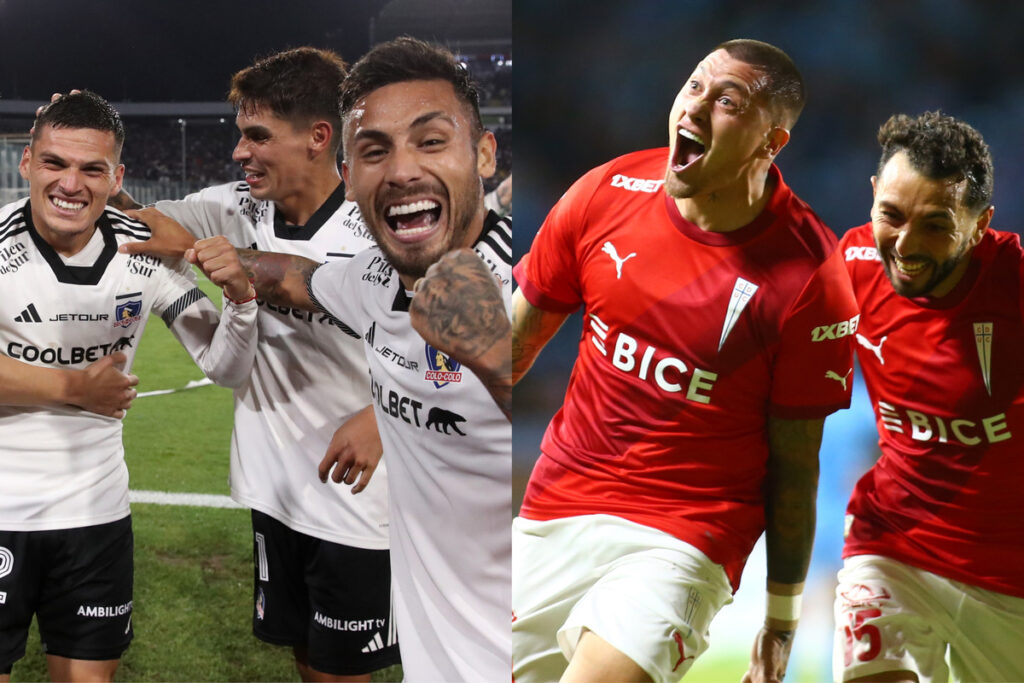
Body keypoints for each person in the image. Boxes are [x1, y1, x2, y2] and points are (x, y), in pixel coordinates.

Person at [510, 39, 859, 682]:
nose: (695, 107)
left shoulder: (810, 274)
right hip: (554, 512)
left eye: (727, 100)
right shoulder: (604, 194)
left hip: (682, 538)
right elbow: (506, 355)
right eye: (694, 86)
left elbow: (794, 465)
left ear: (770, 143)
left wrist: (780, 619)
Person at [176, 37, 510, 681]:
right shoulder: (372, 277)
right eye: (376, 150)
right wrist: (216, 257)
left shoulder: (536, 278)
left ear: (485, 154)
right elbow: (299, 278)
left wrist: (496, 361)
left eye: (431, 141)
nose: (403, 170)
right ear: (350, 172)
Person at [114, 47, 398, 681]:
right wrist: (94, 169)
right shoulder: (234, 205)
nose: (240, 151)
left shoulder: (381, 225)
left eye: (257, 136)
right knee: (306, 657)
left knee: (342, 671)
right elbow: (138, 225)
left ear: (319, 137)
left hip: (360, 499)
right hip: (277, 487)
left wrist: (383, 418)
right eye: (240, 135)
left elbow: (450, 340)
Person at [0, 91, 257, 682]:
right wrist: (73, 389)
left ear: (117, 176)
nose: (71, 183)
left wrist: (241, 297)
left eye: (92, 169)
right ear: (27, 164)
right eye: (55, 163)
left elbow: (225, 366)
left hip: (95, 512)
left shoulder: (145, 249)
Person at [833, 111, 1024, 682]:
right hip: (892, 546)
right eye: (890, 215)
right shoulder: (850, 265)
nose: (906, 244)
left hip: (1010, 579)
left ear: (981, 223)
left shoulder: (1016, 289)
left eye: (936, 225)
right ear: (873, 195)